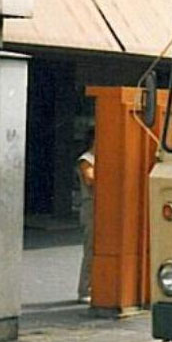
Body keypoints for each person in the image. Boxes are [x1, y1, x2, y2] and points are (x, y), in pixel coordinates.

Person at [75, 127, 96, 303]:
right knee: (90, 248)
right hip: (91, 205)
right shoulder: (87, 160)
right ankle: (85, 289)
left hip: (101, 206)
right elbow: (91, 180)